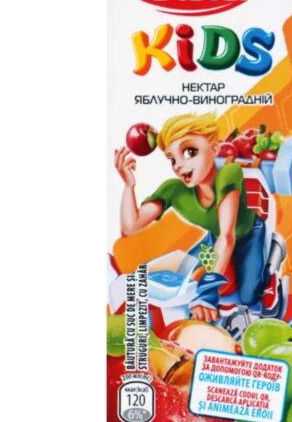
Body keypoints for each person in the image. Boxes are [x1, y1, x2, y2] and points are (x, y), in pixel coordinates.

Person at [114, 112, 279, 322]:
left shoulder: (229, 173)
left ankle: (271, 270)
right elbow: (129, 227)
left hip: (248, 235)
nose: (178, 165)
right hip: (215, 238)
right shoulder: (174, 189)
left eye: (190, 152)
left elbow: (227, 236)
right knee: (185, 276)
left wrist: (208, 294)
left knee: (249, 296)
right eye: (172, 159)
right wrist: (129, 185)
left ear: (215, 149)